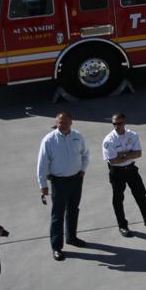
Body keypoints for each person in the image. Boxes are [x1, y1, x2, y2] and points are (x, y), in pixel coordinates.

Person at [37, 111, 90, 260]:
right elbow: (42, 164)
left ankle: (71, 237)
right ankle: (56, 247)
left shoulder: (77, 136)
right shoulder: (49, 140)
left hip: (76, 180)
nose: (63, 125)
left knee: (73, 210)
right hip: (59, 183)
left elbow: (86, 154)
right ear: (56, 123)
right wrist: (43, 185)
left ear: (71, 123)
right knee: (57, 215)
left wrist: (83, 171)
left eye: (66, 122)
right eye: (60, 122)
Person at [103, 112, 146, 235]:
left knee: (140, 195)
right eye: (114, 124)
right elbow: (113, 160)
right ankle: (122, 225)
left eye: (119, 123)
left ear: (124, 122)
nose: (116, 126)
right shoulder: (109, 140)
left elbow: (138, 153)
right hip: (117, 172)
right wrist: (128, 155)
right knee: (118, 199)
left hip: (131, 170)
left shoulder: (132, 135)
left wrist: (122, 155)